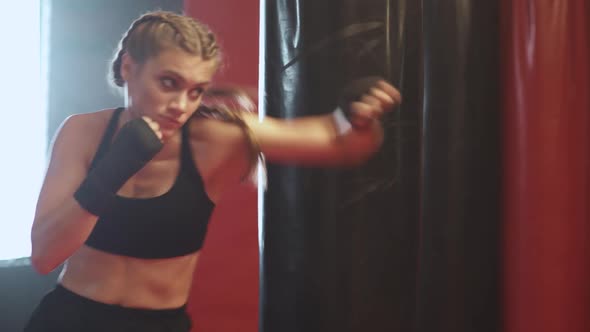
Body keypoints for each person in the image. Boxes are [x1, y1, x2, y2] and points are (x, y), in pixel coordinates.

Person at [24, 10, 402, 332]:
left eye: (196, 90)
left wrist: (358, 117)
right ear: (128, 67)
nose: (180, 105)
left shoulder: (216, 140)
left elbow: (342, 143)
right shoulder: (83, 133)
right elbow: (45, 254)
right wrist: (112, 171)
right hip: (69, 317)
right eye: (168, 83)